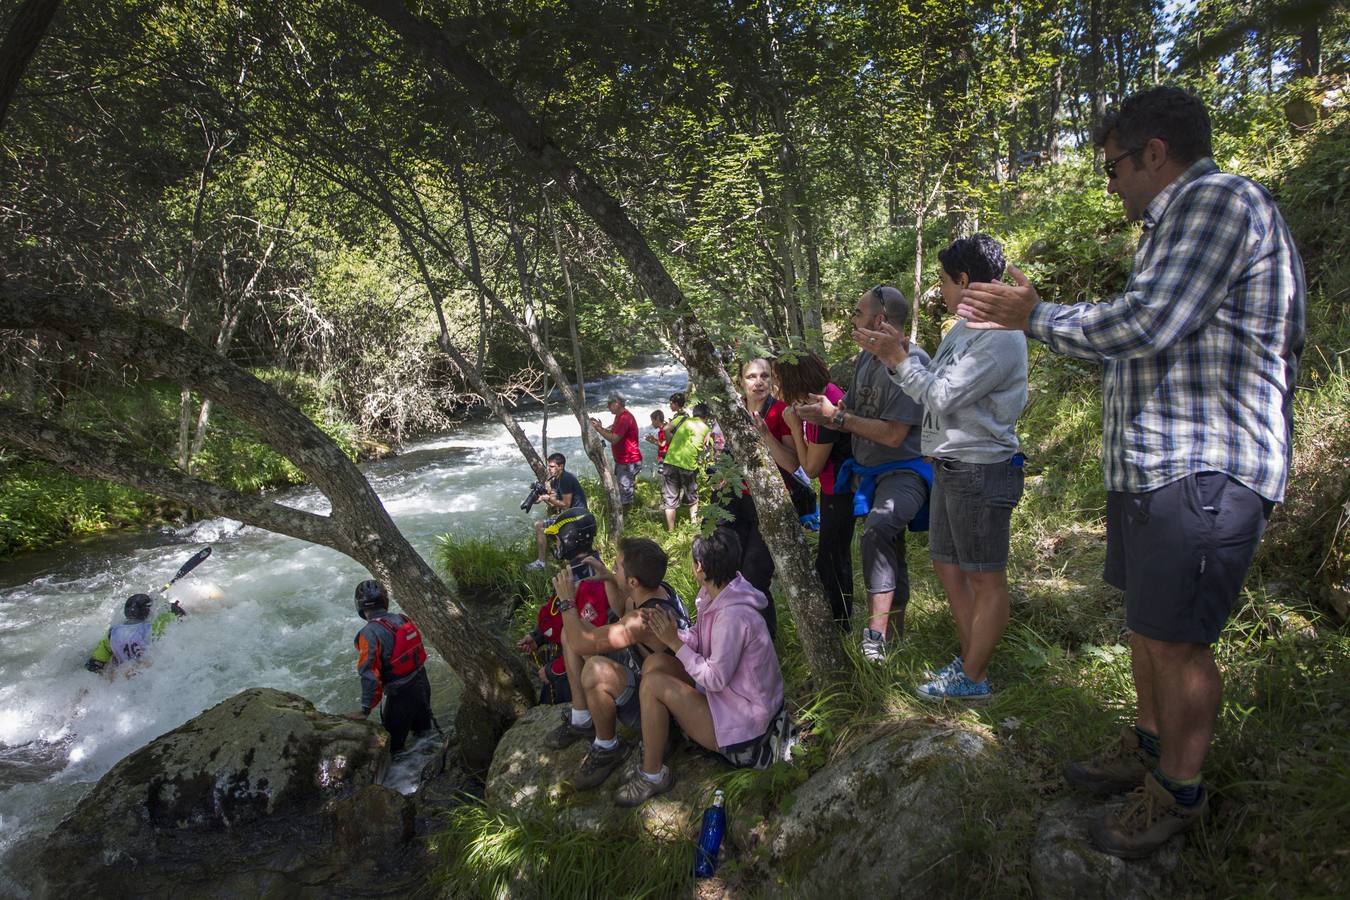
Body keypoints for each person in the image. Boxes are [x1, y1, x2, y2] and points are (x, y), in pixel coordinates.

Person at [957, 87, 1305, 857]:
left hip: (1205, 464)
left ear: (1154, 152)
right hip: (1157, 467)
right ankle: (1148, 747)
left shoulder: (1216, 201)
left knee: (1179, 641)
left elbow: (1148, 322)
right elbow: (1147, 336)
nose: (1108, 183)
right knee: (1149, 626)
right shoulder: (1169, 225)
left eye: (1112, 165)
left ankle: (1178, 791)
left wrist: (1035, 317)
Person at [856, 234, 1028, 701]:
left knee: (984, 575)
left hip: (981, 468)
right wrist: (899, 357)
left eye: (945, 282)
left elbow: (943, 395)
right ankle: (972, 662)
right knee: (948, 565)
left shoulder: (1000, 338)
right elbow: (930, 385)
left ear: (966, 281)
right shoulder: (962, 331)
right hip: (952, 466)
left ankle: (972, 677)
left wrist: (897, 359)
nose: (941, 292)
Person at [795, 286, 932, 662]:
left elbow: (892, 433)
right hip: (869, 473)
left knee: (879, 529)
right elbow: (848, 410)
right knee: (891, 548)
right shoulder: (866, 359)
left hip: (906, 469)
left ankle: (875, 634)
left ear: (880, 320)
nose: (853, 320)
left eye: (857, 313)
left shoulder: (911, 361)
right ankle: (894, 642)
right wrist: (821, 412)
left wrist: (836, 418)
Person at [613, 528, 786, 806]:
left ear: (700, 567)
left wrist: (676, 643)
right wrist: (671, 634)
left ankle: (653, 773)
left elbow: (715, 678)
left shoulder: (732, 616)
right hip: (734, 703)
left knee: (654, 683)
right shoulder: (721, 592)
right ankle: (658, 739)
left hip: (750, 730)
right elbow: (702, 640)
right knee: (656, 662)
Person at [547, 537, 689, 792]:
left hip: (658, 709)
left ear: (633, 581)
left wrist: (567, 601)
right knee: (569, 634)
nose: (614, 568)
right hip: (651, 675)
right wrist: (608, 579)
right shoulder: (657, 590)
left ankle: (607, 746)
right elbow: (623, 607)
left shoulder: (643, 620)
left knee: (593, 668)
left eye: (618, 567)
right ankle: (582, 718)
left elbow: (583, 644)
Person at [773, 352, 856, 628]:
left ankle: (839, 625)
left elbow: (810, 468)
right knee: (835, 556)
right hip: (841, 488)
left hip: (841, 491)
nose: (775, 385)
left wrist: (795, 427)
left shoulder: (823, 410)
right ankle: (841, 621)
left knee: (831, 560)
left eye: (777, 379)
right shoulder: (828, 394)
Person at [516, 510, 611, 703]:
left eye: (557, 540)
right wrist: (538, 637)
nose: (556, 545)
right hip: (564, 659)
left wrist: (556, 670)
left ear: (571, 539)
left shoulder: (590, 581)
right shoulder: (576, 571)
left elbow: (590, 640)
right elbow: (558, 615)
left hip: (575, 672)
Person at [346, 579, 433, 755]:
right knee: (425, 737)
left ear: (361, 607)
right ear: (385, 601)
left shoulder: (368, 633)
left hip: (401, 696)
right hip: (422, 684)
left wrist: (365, 709)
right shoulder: (402, 618)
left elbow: (369, 673)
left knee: (393, 750)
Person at [85, 592, 186, 673]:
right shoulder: (157, 625)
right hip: (150, 673)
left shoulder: (112, 632)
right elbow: (184, 618)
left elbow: (96, 663)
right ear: (149, 612)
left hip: (124, 677)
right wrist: (172, 607)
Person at [527, 453, 589, 571]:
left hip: (578, 518)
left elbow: (566, 504)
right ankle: (555, 555)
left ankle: (542, 562)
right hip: (569, 516)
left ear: (561, 466)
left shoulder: (566, 478)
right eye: (548, 466)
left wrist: (548, 498)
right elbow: (554, 504)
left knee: (539, 525)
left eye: (552, 466)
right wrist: (541, 499)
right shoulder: (556, 480)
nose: (549, 469)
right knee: (541, 525)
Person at [659, 392, 712, 531]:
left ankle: (670, 531)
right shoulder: (707, 429)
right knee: (692, 497)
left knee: (670, 499)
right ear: (705, 417)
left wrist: (670, 442)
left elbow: (665, 429)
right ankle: (694, 526)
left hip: (670, 461)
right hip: (688, 465)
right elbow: (708, 447)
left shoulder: (682, 419)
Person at [589, 392, 643, 508]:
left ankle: (627, 519)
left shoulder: (625, 418)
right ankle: (629, 514)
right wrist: (601, 427)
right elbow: (612, 430)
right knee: (625, 489)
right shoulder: (620, 416)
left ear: (617, 404)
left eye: (609, 404)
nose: (608, 407)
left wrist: (598, 429)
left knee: (625, 494)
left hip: (628, 461)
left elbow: (614, 439)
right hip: (625, 460)